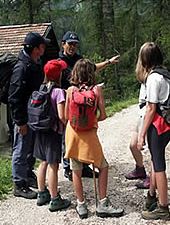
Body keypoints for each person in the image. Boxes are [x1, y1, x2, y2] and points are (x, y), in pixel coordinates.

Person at [64, 58, 124, 219]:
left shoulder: (70, 90)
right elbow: (103, 115)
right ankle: (103, 203)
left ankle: (81, 205)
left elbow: (65, 116)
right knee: (103, 166)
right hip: (89, 133)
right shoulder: (96, 90)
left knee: (76, 170)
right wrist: (92, 119)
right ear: (91, 73)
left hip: (73, 133)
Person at [59, 30, 120, 181]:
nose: (72, 47)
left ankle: (84, 165)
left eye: (75, 44)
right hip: (66, 100)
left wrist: (108, 62)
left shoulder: (80, 59)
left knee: (84, 134)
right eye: (70, 44)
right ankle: (69, 167)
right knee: (69, 136)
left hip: (82, 104)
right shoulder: (59, 60)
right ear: (63, 44)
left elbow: (93, 67)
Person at [8, 31, 50, 199]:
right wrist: (20, 122)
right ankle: (19, 184)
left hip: (32, 115)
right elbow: (14, 98)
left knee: (30, 147)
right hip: (23, 117)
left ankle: (27, 174)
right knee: (20, 149)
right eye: (42, 45)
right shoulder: (21, 68)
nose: (44, 47)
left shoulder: (34, 63)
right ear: (35, 49)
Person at [136, 42, 170, 220]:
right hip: (169, 125)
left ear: (144, 60)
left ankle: (163, 207)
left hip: (157, 125)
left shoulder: (153, 78)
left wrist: (141, 134)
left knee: (159, 165)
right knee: (155, 160)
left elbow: (151, 109)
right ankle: (151, 196)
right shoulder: (168, 74)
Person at [33, 59, 71, 212]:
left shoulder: (41, 88)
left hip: (40, 130)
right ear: (59, 75)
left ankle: (42, 193)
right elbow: (62, 116)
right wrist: (69, 123)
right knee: (53, 165)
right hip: (53, 132)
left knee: (42, 162)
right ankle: (55, 199)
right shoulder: (58, 92)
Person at [124, 84, 150, 189]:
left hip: (148, 116)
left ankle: (154, 178)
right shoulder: (144, 80)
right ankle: (140, 170)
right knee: (133, 145)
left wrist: (143, 134)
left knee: (152, 151)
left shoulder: (153, 78)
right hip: (142, 115)